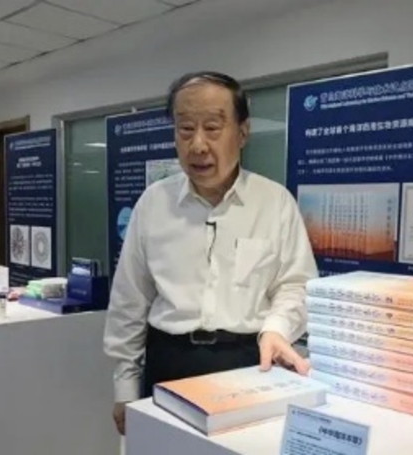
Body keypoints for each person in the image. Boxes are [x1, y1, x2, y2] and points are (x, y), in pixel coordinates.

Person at [103, 71, 318, 435]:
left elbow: (295, 284)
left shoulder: (274, 203)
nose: (198, 144)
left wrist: (277, 329)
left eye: (213, 128)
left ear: (243, 132)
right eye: (185, 129)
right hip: (168, 362)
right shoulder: (153, 204)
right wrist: (125, 388)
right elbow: (129, 301)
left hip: (250, 365)